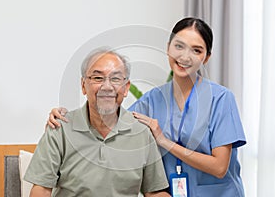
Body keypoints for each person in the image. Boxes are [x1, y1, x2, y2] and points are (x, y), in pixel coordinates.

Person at [47, 17, 247, 196]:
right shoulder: (152, 99)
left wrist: (164, 141)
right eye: (179, 46)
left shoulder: (221, 99)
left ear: (206, 57)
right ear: (168, 48)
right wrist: (64, 115)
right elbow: (113, 119)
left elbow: (220, 167)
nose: (185, 57)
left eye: (196, 50)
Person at [24, 48, 170, 196]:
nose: (107, 87)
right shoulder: (59, 128)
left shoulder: (141, 132)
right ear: (83, 86)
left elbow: (155, 192)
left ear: (126, 88)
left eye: (115, 79)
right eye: (98, 78)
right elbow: (41, 188)